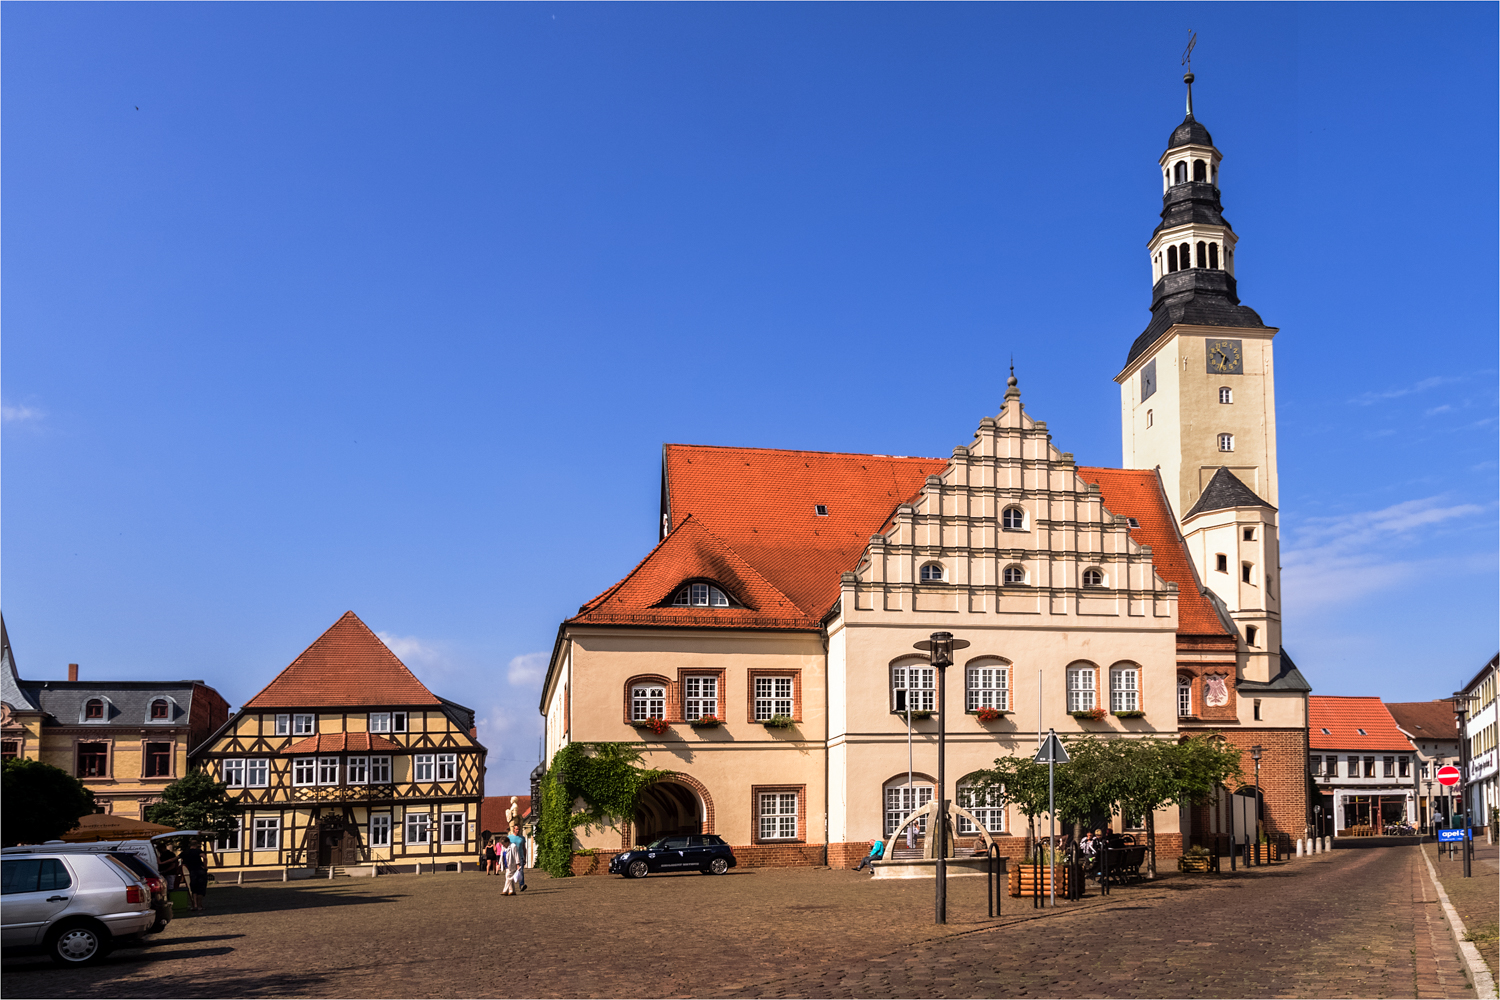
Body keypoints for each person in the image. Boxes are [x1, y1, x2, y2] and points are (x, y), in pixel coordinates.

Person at [179, 838, 209, 912]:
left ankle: (194, 905)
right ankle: (199, 906)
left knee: (194, 889)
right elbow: (204, 857)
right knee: (201, 889)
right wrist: (205, 866)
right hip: (200, 871)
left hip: (192, 872)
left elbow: (176, 859)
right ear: (197, 845)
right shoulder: (198, 851)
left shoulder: (185, 852)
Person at [507, 827, 527, 892]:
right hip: (512, 857)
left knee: (520, 871)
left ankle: (521, 885)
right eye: (517, 829)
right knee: (511, 872)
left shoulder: (522, 838)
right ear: (514, 830)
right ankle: (510, 887)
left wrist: (524, 857)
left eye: (519, 829)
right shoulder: (509, 837)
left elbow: (524, 848)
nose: (518, 830)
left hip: (520, 856)